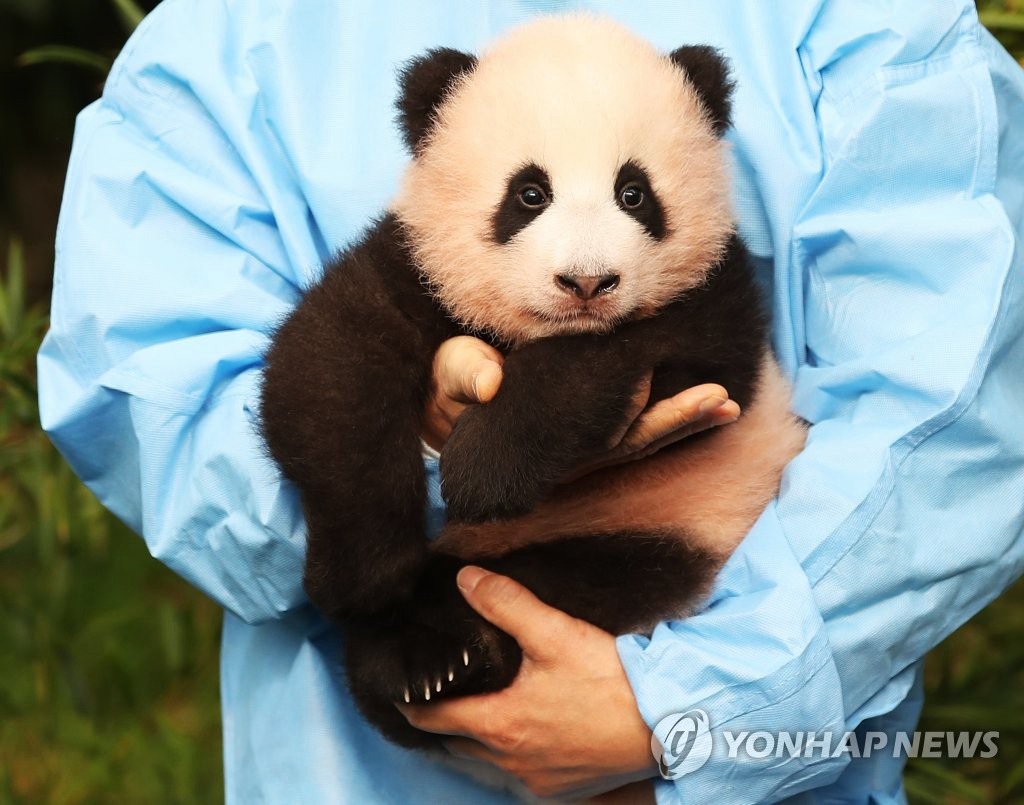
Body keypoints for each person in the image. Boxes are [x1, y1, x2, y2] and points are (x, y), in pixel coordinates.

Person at [38, 1, 1024, 802]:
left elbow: (966, 413)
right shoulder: (221, 47)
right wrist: (409, 454)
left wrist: (690, 712)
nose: (588, 262)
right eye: (528, 197)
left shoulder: (866, 26)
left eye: (637, 195)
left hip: (693, 618)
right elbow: (164, 416)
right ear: (435, 131)